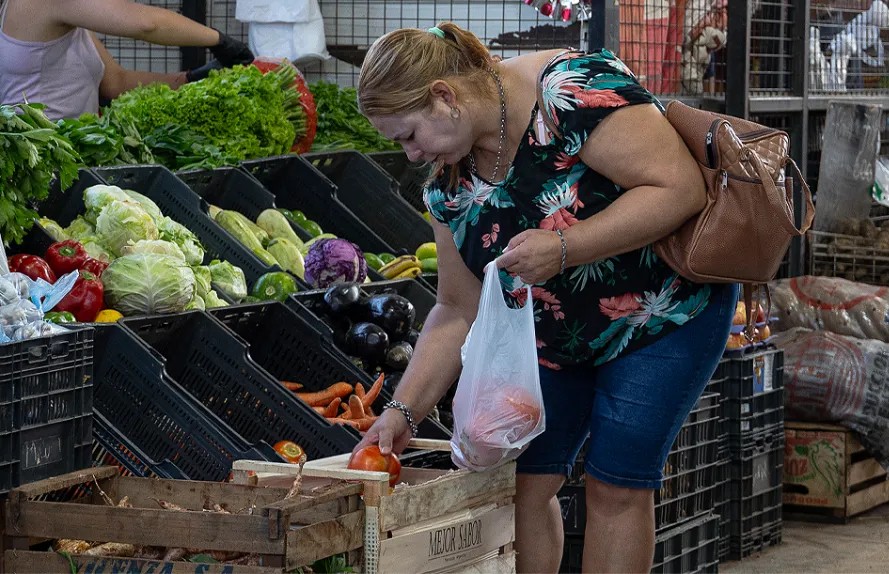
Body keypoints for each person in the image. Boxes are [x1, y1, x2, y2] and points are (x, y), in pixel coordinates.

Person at [352, 21, 738, 574]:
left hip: (661, 317)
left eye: (409, 135)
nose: (410, 155)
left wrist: (565, 247)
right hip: (553, 337)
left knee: (616, 485)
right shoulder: (449, 186)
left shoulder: (570, 91)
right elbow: (455, 309)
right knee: (523, 481)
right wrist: (400, 413)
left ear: (444, 97)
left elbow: (679, 187)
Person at [0, 0, 254, 120]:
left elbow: (116, 82)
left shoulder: (72, 23)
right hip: (37, 160)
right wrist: (220, 41)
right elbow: (145, 24)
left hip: (70, 153)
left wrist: (191, 78)